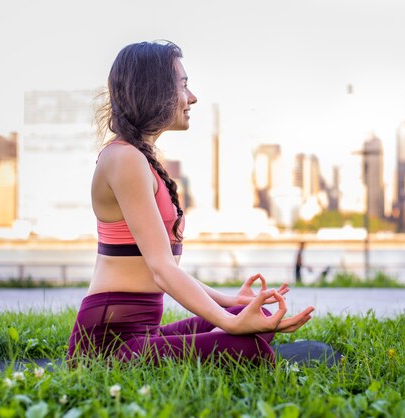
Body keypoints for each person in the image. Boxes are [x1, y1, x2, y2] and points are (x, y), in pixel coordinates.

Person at [67, 41, 314, 365]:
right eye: (183, 85)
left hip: (142, 334)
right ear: (154, 91)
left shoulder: (138, 158)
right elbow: (162, 270)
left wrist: (231, 303)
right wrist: (230, 321)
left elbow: (165, 268)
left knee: (253, 315)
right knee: (248, 345)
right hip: (106, 346)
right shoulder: (123, 159)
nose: (192, 97)